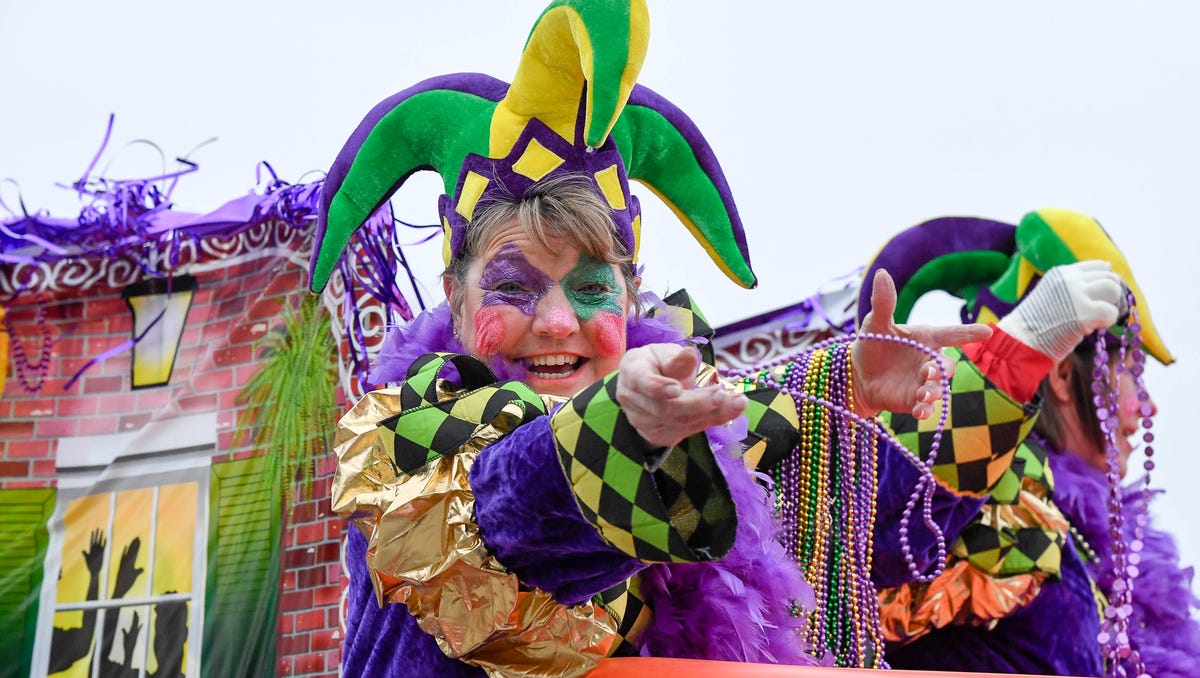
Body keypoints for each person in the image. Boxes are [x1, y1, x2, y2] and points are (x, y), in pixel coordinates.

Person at [308, 1, 987, 675]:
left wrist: (986, 368)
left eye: (592, 289)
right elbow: (509, 510)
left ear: (631, 299)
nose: (555, 322)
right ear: (456, 298)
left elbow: (900, 530)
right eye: (512, 287)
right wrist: (623, 429)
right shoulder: (409, 447)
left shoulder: (691, 430)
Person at [861, 209, 1200, 676]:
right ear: (1063, 375)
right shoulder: (993, 500)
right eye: (1133, 378)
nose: (1148, 408)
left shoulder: (1094, 538)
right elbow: (880, 537)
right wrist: (1014, 355)